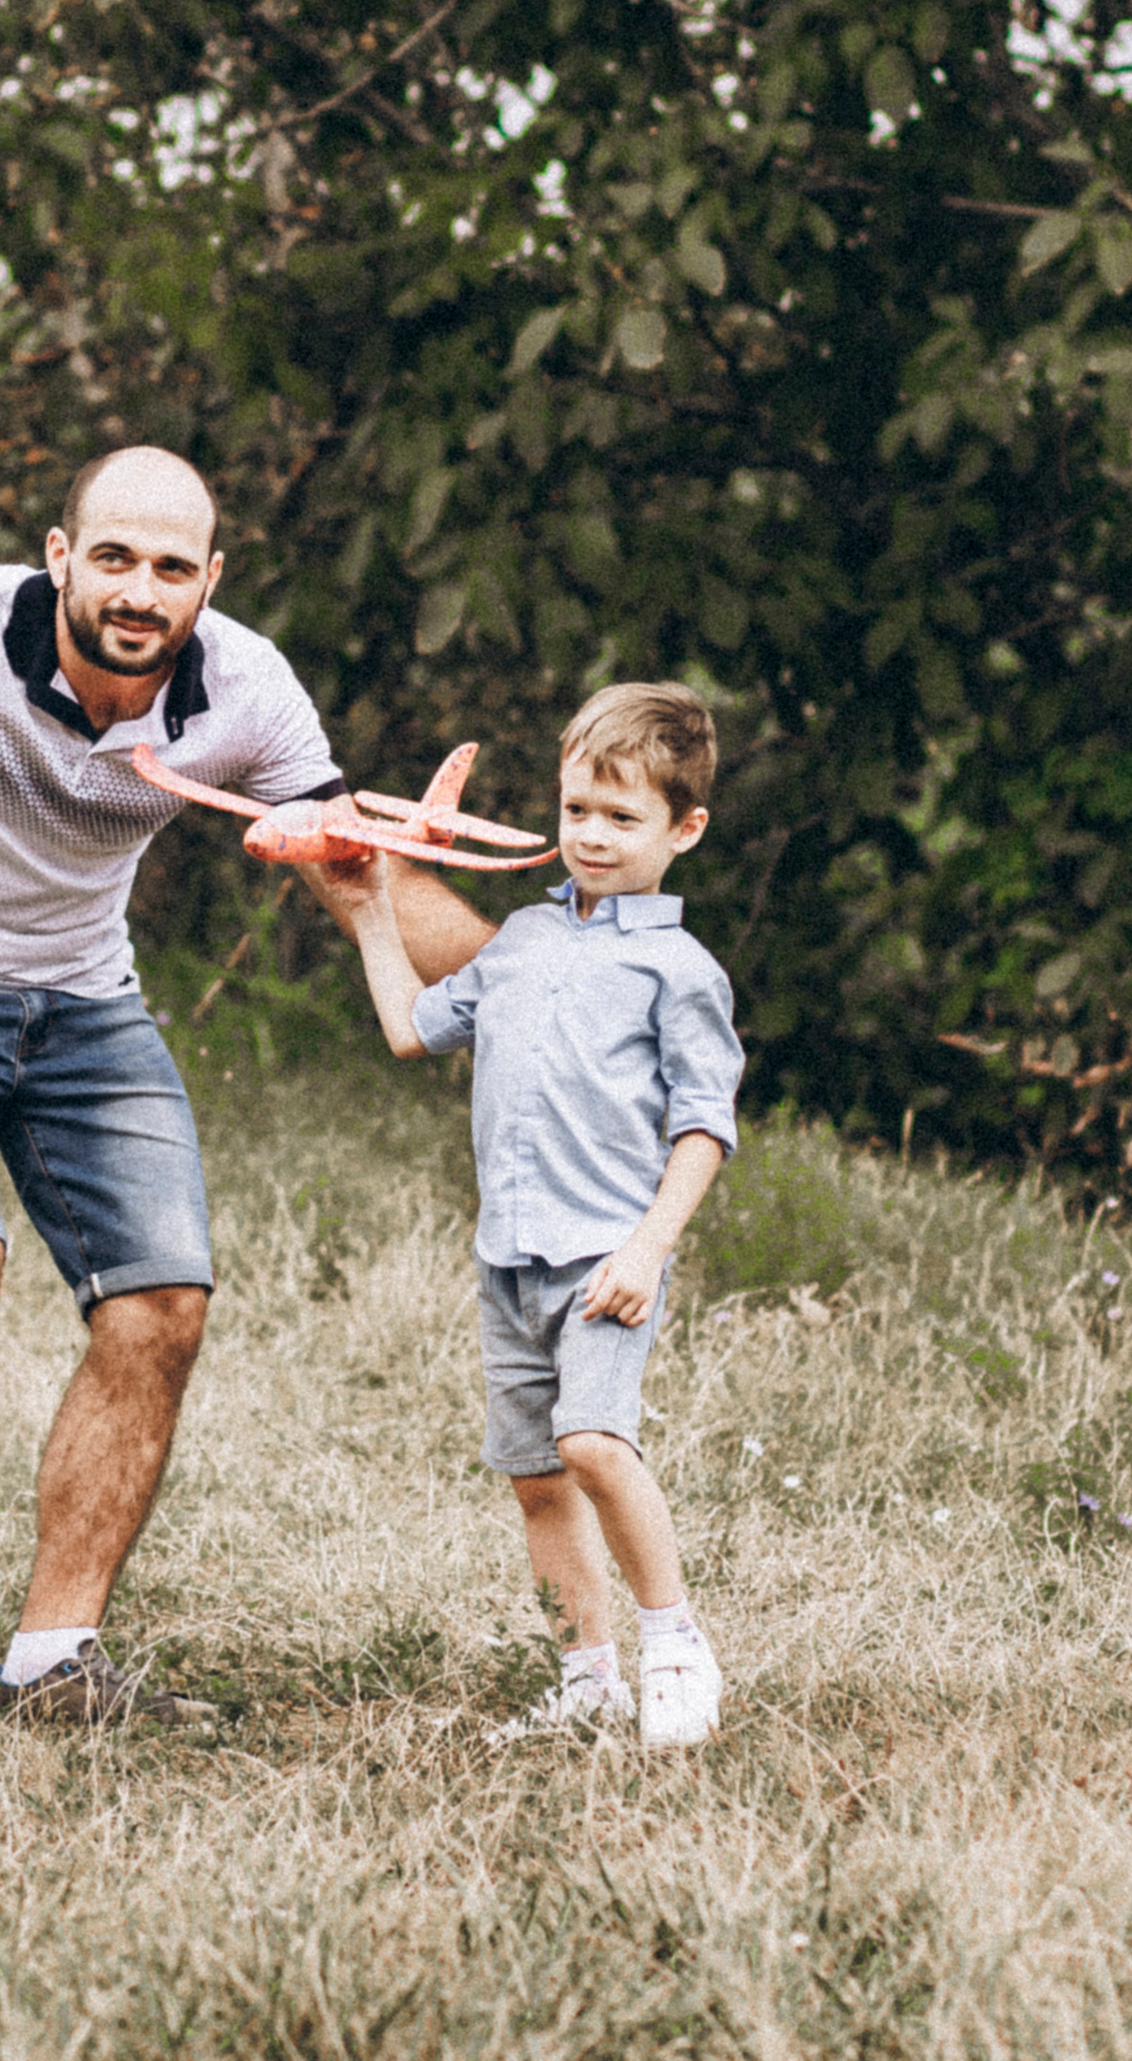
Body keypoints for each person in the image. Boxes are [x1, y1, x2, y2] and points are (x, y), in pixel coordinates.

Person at [0, 444, 491, 1727]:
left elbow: (361, 870)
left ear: (210, 580)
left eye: (173, 568)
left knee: (162, 1309)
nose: (142, 590)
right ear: (61, 557)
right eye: (116, 558)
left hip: (81, 1003)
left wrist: (547, 979)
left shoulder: (243, 686)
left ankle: (54, 1663)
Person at [339, 679, 742, 1749]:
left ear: (683, 828)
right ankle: (587, 1676)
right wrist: (373, 908)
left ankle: (676, 1649)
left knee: (595, 1443)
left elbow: (703, 1127)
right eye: (576, 812)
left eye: (622, 817)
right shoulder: (518, 938)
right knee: (534, 1477)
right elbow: (411, 1032)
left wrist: (647, 1252)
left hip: (603, 1259)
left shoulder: (678, 970)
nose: (592, 837)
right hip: (507, 1259)